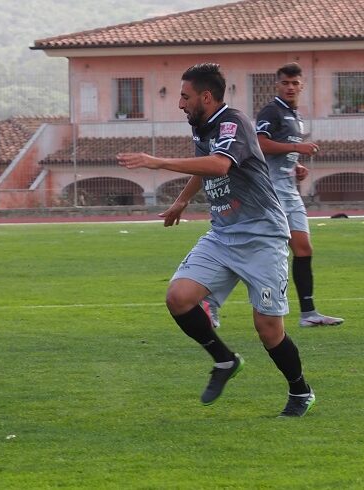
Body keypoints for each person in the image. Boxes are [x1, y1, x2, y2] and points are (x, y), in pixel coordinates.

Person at [117, 63, 315, 417]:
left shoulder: (233, 122)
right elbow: (202, 163)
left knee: (268, 329)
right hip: (223, 234)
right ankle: (224, 361)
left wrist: (155, 161)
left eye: (184, 96)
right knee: (178, 297)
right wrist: (181, 200)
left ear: (205, 97)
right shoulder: (202, 126)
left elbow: (221, 165)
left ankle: (300, 391)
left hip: (262, 236)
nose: (179, 103)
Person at [204, 63, 344, 330]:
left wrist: (295, 164)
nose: (290, 87)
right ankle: (211, 299)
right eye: (285, 83)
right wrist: (296, 147)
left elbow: (277, 154)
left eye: (295, 83)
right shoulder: (272, 110)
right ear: (277, 85)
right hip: (270, 192)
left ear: (302, 85)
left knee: (303, 249)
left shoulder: (295, 116)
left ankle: (309, 313)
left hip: (289, 189)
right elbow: (259, 142)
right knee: (260, 250)